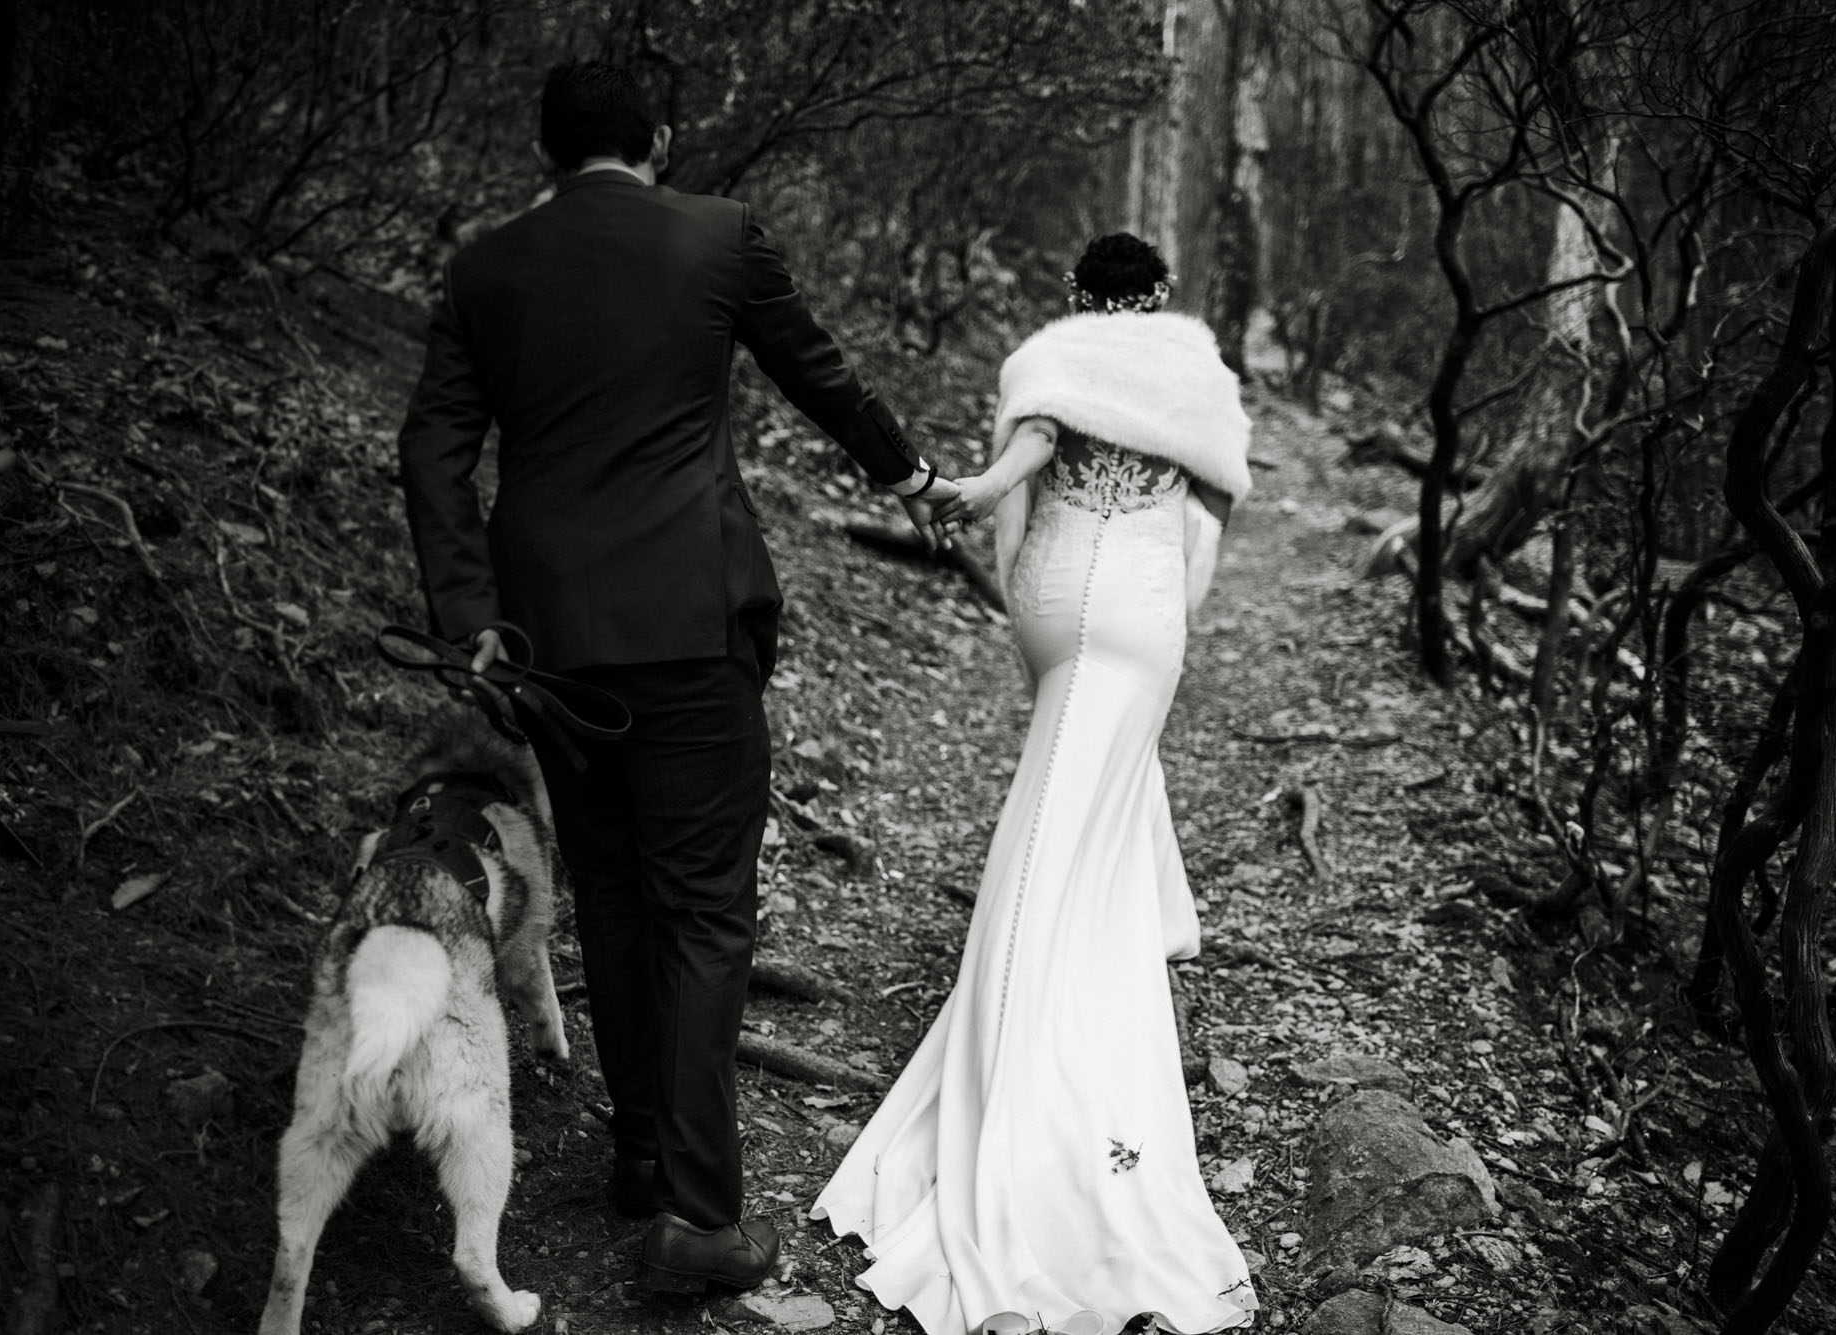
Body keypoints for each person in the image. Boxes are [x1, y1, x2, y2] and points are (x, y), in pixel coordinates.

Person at [395, 61, 958, 1295]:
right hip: (692, 625)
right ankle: (698, 1217)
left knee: (613, 894)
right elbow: (814, 371)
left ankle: (643, 1158)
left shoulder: (486, 266)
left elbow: (433, 448)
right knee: (703, 912)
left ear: (548, 148)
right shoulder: (715, 235)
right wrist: (908, 478)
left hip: (549, 641)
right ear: (658, 136)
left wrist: (470, 616)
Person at [810, 233, 1258, 1335]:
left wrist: (970, 499)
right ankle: (1109, 955)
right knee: (1084, 803)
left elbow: (1026, 468)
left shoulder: (1051, 358)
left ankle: (1022, 1062)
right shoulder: (1193, 375)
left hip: (1060, 591)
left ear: (1075, 295)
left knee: (1050, 820)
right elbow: (1212, 512)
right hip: (1146, 606)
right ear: (1158, 297)